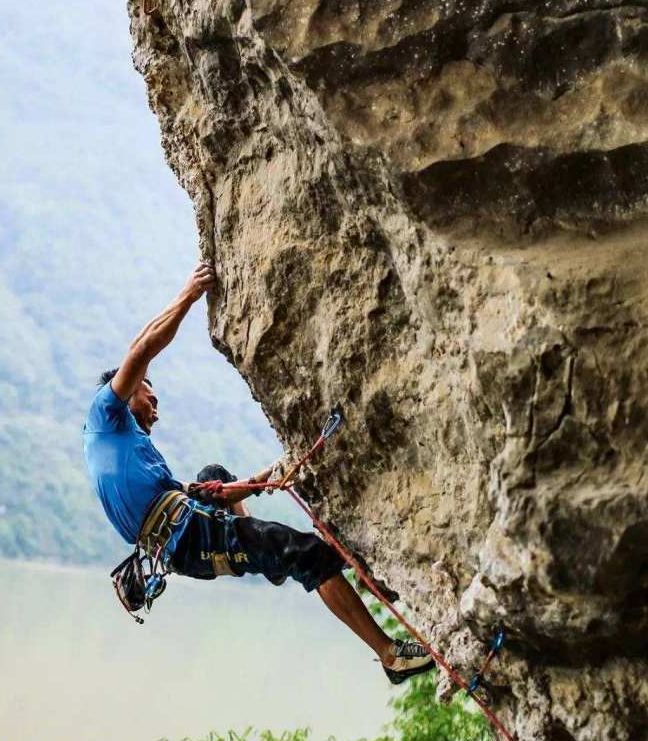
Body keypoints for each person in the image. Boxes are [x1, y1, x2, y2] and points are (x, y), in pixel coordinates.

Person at [83, 262, 435, 685]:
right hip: (191, 540)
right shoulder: (105, 416)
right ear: (128, 391)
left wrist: (267, 478)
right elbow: (141, 350)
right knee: (309, 555)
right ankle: (390, 656)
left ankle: (265, 553)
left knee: (213, 475)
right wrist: (188, 295)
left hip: (186, 529)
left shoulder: (128, 446)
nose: (156, 410)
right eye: (150, 398)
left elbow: (208, 491)